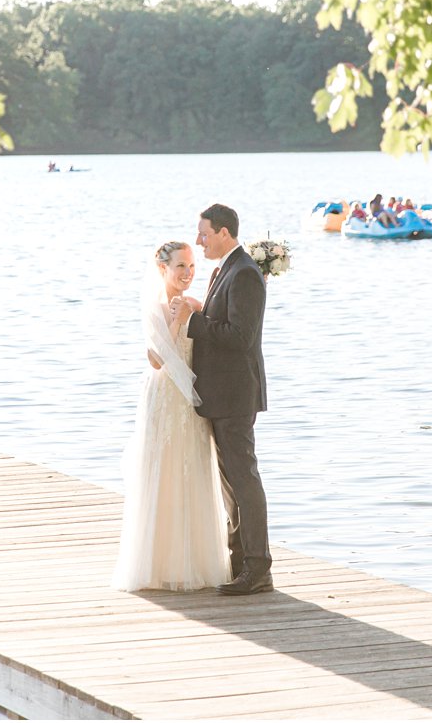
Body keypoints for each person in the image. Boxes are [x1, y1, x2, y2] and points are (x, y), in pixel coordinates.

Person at [110, 241, 229, 592]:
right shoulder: (154, 307)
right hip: (165, 398)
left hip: (191, 402)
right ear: (163, 268)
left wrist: (192, 312)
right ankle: (159, 563)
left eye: (192, 266)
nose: (188, 273)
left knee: (191, 469)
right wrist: (177, 320)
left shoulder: (195, 303)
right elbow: (156, 359)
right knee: (165, 470)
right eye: (181, 266)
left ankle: (194, 561)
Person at [172, 203, 273, 596]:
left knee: (244, 479)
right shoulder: (225, 269)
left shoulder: (245, 273)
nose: (199, 240)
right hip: (222, 394)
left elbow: (239, 337)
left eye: (204, 234)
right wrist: (201, 309)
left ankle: (257, 567)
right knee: (232, 482)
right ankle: (239, 561)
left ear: (225, 233)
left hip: (235, 395)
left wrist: (193, 323)